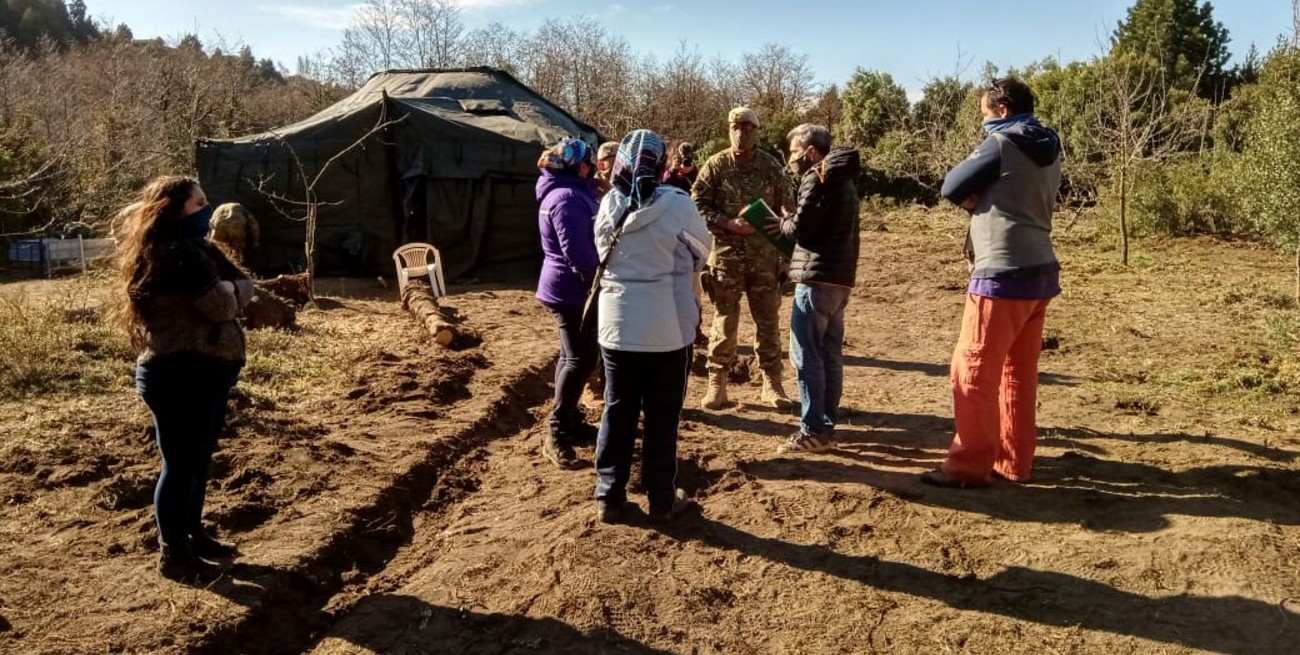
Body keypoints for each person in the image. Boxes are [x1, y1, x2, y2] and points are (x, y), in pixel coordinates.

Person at [921, 77, 1062, 488]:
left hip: (1001, 274)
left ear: (1002, 111)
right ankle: (1014, 462)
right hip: (1040, 270)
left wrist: (974, 200)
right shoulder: (1050, 145)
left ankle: (967, 465)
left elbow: (950, 185)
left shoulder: (1001, 143)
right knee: (1019, 374)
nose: (983, 122)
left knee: (972, 370)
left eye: (985, 114)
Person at [113, 175, 255, 581]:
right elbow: (223, 304)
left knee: (198, 458)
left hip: (204, 370)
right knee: (180, 464)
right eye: (199, 204)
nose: (207, 211)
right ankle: (173, 553)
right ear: (174, 209)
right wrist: (232, 290)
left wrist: (234, 288)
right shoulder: (176, 256)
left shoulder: (197, 249)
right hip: (179, 372)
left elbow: (247, 286)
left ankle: (193, 533)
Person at [593, 129, 711, 524]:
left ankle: (609, 496)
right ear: (661, 166)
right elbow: (701, 252)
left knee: (617, 410)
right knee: (662, 416)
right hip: (666, 329)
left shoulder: (609, 203)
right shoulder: (677, 205)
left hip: (616, 327)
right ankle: (661, 498)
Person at [766, 124, 861, 454]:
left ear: (810, 151)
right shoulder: (845, 181)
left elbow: (802, 232)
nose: (790, 159)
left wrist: (783, 223)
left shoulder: (815, 177)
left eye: (793, 151)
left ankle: (812, 430)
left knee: (807, 357)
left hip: (815, 280)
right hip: (839, 280)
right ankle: (827, 426)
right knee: (831, 354)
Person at [693, 107, 795, 411]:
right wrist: (727, 223)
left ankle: (772, 384)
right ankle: (717, 384)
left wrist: (786, 255)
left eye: (748, 127)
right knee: (725, 321)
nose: (741, 132)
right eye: (736, 127)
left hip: (765, 259)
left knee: (768, 322)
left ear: (757, 131)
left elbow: (790, 210)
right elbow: (696, 206)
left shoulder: (771, 167)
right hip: (726, 259)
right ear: (728, 129)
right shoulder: (715, 165)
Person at [535, 137, 601, 469]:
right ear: (581, 167)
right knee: (582, 358)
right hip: (571, 290)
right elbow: (577, 251)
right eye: (590, 165)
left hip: (563, 286)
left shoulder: (561, 192)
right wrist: (596, 283)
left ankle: (572, 423)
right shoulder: (569, 199)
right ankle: (557, 432)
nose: (593, 170)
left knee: (570, 355)